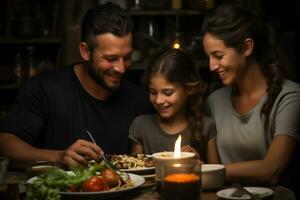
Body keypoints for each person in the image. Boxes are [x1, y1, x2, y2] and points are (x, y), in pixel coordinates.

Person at [0, 2, 153, 169]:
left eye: (127, 57)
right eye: (111, 59)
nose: (122, 68)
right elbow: (5, 144)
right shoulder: (45, 89)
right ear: (85, 51)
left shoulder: (140, 100)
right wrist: (57, 157)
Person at [202, 3, 300, 193]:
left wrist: (208, 171)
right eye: (209, 57)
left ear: (247, 47)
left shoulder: (290, 98)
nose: (212, 66)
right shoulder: (214, 101)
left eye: (218, 55)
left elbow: (271, 170)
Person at [128, 49, 219, 163]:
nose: (159, 100)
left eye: (168, 93)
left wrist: (198, 166)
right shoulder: (141, 126)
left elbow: (216, 176)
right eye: (153, 92)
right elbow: (136, 175)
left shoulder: (207, 127)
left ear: (188, 89)